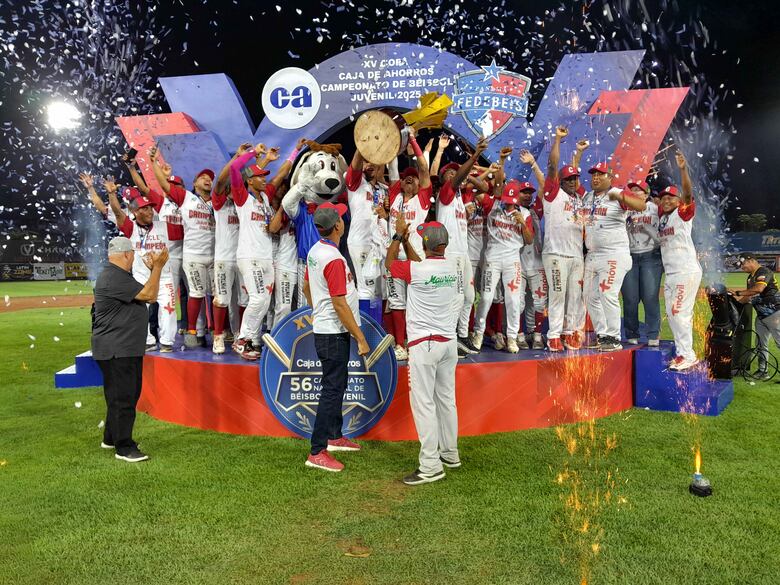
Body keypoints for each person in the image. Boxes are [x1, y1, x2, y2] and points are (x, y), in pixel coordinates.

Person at [386, 214, 461, 485]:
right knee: (446, 400)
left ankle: (430, 465)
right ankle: (450, 454)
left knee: (424, 405)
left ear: (427, 244)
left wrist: (397, 237)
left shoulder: (416, 271)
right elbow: (421, 265)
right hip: (448, 343)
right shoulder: (453, 266)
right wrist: (407, 244)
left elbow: (390, 265)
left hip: (423, 345)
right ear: (445, 244)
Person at [302, 202, 370, 472]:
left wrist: (316, 310)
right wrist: (361, 337)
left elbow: (307, 286)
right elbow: (339, 303)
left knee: (338, 385)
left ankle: (334, 436)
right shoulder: (333, 259)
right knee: (332, 390)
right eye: (341, 217)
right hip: (334, 332)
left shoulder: (316, 251)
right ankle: (317, 450)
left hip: (328, 328)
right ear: (338, 226)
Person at [92, 236, 169, 462]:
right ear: (126, 254)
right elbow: (150, 295)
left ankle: (110, 438)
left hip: (119, 347)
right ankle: (124, 448)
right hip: (118, 348)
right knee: (124, 397)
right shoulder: (114, 277)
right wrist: (158, 267)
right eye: (133, 254)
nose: (134, 257)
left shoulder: (115, 275)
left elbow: (143, 291)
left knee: (119, 396)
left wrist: (153, 271)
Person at [150, 147, 215, 348]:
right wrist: (154, 163)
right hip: (191, 255)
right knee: (192, 294)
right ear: (194, 184)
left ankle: (210, 333)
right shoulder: (187, 198)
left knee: (216, 297)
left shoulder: (217, 203)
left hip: (215, 257)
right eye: (202, 177)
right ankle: (189, 332)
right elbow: (164, 186)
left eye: (210, 178)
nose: (207, 180)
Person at [228, 143, 288, 359]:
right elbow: (235, 170)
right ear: (250, 181)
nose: (264, 179)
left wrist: (292, 153)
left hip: (265, 257)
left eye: (264, 176)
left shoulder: (264, 198)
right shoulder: (243, 198)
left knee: (263, 301)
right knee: (257, 298)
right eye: (260, 177)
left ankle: (251, 340)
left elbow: (280, 176)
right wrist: (254, 154)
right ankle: (242, 340)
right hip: (250, 256)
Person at [582, 161, 646, 352]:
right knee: (589, 296)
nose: (595, 177)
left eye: (600, 174)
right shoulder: (588, 197)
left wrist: (620, 194)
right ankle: (602, 335)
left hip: (613, 254)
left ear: (609, 177)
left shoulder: (617, 193)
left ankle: (614, 337)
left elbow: (641, 205)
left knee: (607, 293)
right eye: (593, 174)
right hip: (593, 255)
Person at [107, 180, 178, 352]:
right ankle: (148, 340)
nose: (149, 211)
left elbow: (188, 229)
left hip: (165, 276)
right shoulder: (130, 228)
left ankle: (167, 342)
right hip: (140, 278)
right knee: (140, 311)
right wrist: (111, 194)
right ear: (134, 211)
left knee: (168, 309)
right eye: (144, 208)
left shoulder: (164, 226)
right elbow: (117, 213)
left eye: (150, 208)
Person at [436, 137, 490, 355]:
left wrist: (473, 173)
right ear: (444, 179)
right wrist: (475, 155)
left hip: (464, 252)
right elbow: (458, 178)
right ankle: (450, 338)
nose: (453, 174)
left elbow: (485, 186)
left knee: (469, 296)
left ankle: (462, 335)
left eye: (455, 172)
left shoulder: (461, 197)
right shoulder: (446, 194)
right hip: (450, 254)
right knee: (455, 297)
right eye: (449, 173)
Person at [471, 172, 535, 353]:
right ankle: (478, 333)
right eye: (507, 199)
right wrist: (499, 163)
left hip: (512, 259)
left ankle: (512, 338)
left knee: (514, 300)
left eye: (513, 201)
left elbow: (529, 240)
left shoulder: (525, 213)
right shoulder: (493, 204)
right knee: (485, 297)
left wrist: (522, 223)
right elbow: (478, 192)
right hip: (492, 258)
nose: (509, 204)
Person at [538, 127, 588, 352]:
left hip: (577, 255)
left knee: (575, 295)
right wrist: (558, 139)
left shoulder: (579, 198)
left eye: (575, 179)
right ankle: (554, 335)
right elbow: (552, 165)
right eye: (567, 179)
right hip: (556, 254)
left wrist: (579, 154)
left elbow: (574, 168)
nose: (572, 182)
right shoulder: (552, 193)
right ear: (560, 180)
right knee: (557, 294)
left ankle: (569, 332)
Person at [386, 133, 434, 360]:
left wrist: (413, 140)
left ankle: (415, 341)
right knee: (396, 301)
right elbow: (391, 164)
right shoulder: (394, 195)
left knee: (417, 302)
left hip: (415, 258)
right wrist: (393, 138)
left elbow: (423, 169)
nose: (410, 179)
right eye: (407, 177)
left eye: (414, 178)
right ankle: (399, 344)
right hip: (395, 256)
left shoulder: (422, 198)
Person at [658, 150, 702, 371]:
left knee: (678, 312)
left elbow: (687, 192)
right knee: (673, 314)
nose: (666, 200)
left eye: (670, 197)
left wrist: (683, 169)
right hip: (672, 272)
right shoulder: (663, 219)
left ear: (678, 201)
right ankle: (682, 352)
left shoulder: (682, 213)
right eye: (663, 197)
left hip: (685, 270)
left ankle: (688, 355)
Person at [621, 180, 662, 346]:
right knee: (630, 298)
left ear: (646, 194)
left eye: (639, 190)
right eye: (633, 190)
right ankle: (632, 333)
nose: (635, 193)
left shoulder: (655, 209)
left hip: (650, 256)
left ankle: (653, 335)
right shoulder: (625, 210)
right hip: (629, 256)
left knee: (650, 297)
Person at [517, 149, 548, 350]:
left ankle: (536, 335)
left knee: (539, 302)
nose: (528, 196)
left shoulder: (536, 210)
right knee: (517, 302)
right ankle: (519, 334)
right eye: (524, 192)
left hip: (537, 262)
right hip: (518, 263)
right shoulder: (509, 210)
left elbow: (544, 188)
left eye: (530, 193)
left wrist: (534, 165)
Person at [734, 254, 780, 380]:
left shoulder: (764, 271)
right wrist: (734, 304)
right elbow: (749, 297)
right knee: (760, 344)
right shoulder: (750, 278)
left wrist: (738, 292)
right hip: (761, 316)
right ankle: (762, 371)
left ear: (752, 260)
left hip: (775, 314)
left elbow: (759, 289)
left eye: (743, 264)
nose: (742, 267)